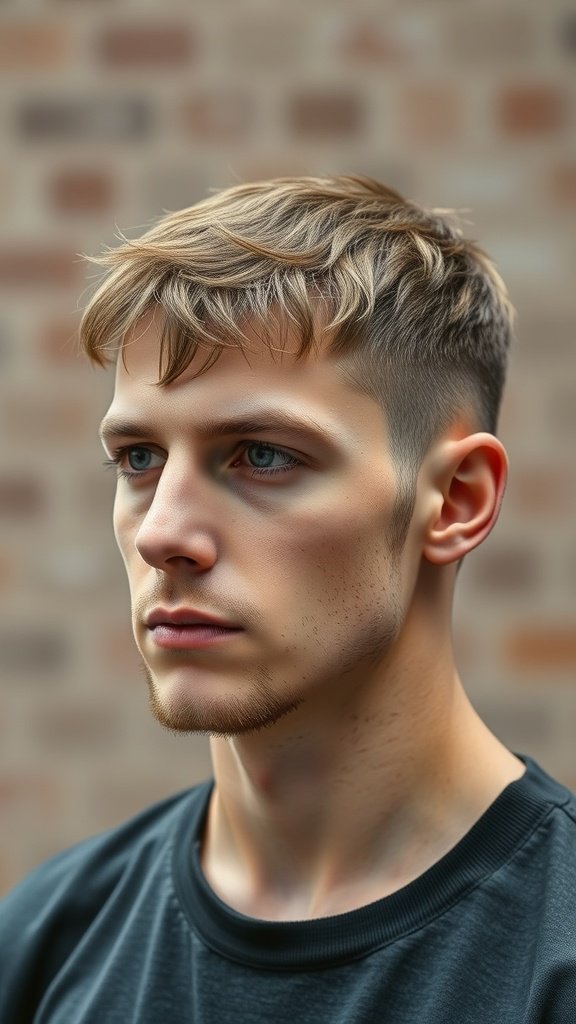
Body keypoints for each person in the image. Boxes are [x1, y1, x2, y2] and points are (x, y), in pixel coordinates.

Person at [1, 176, 575, 1022]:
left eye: (261, 456)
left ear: (454, 501)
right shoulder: (47, 945)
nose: (163, 534)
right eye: (138, 460)